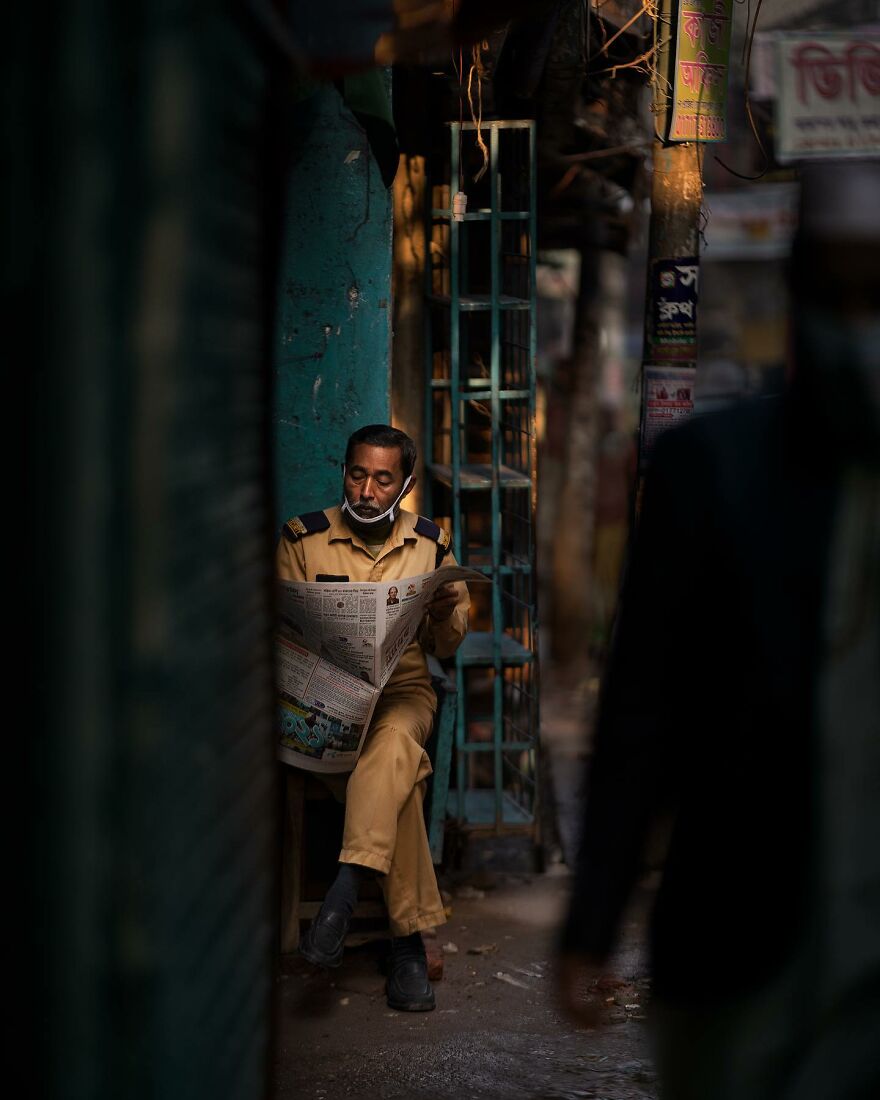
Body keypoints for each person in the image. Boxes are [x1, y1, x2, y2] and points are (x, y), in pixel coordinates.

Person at [557, 160, 880, 1098]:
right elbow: (643, 710)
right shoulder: (712, 470)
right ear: (800, 289)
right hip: (740, 945)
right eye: (841, 289)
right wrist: (592, 922)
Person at [277, 424, 469, 1012]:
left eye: (383, 480)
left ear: (404, 485)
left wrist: (439, 613)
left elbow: (448, 646)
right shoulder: (301, 539)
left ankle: (344, 888)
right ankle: (408, 943)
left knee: (394, 742)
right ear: (345, 472)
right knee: (401, 775)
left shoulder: (432, 544)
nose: (366, 489)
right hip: (323, 699)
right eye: (357, 474)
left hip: (400, 693)